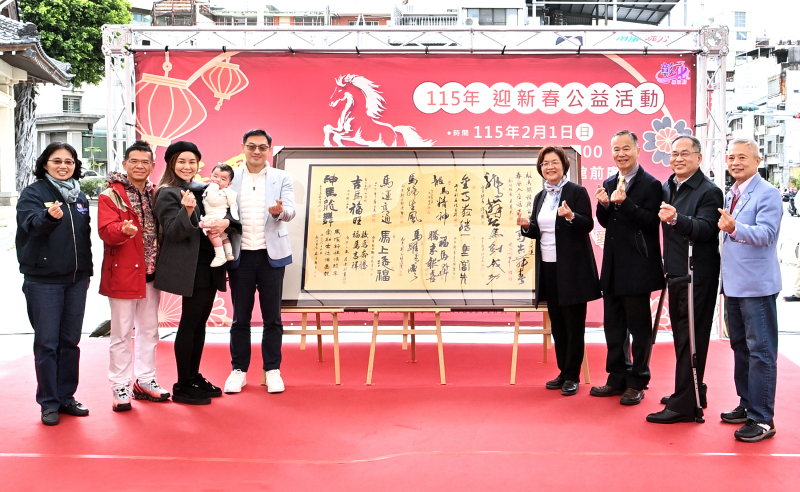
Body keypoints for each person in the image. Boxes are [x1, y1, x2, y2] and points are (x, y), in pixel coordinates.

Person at [154, 141, 241, 405]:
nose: (187, 166)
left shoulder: (204, 188)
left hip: (210, 262)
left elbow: (228, 215)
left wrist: (226, 222)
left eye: (192, 161)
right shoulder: (167, 193)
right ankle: (182, 384)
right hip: (190, 267)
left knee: (200, 322)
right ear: (171, 163)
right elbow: (173, 233)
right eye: (181, 161)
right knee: (190, 322)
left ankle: (194, 376)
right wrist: (188, 210)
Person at [646, 135, 723, 424]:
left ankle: (684, 405)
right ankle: (692, 391)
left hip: (697, 275)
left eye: (685, 153)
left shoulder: (709, 191)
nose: (678, 158)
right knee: (681, 337)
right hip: (675, 271)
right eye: (674, 153)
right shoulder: (668, 186)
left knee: (692, 339)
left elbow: (707, 229)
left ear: (699, 158)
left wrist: (678, 219)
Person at [16, 142, 93, 425]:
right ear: (45, 164)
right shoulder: (34, 193)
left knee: (70, 342)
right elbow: (31, 225)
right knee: (47, 344)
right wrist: (48, 217)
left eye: (69, 161)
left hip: (76, 280)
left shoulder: (79, 196)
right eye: (57, 161)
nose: (63, 166)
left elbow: (83, 238)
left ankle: (66, 397)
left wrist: (86, 271)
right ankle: (48, 402)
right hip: (43, 280)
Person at [517, 146, 601, 396]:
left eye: (554, 162)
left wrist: (571, 216)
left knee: (574, 323)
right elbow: (538, 230)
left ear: (564, 165)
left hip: (572, 269)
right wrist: (526, 226)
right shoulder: (540, 197)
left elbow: (587, 224)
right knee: (558, 324)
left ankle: (573, 375)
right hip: (548, 268)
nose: (549, 167)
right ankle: (563, 371)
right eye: (545, 163)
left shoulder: (576, 191)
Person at [591, 130, 665, 405]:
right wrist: (604, 204)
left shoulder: (651, 184)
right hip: (612, 265)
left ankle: (638, 380)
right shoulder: (610, 181)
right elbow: (606, 221)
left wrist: (626, 203)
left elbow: (650, 222)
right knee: (613, 326)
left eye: (626, 148)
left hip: (638, 266)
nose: (621, 154)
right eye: (616, 149)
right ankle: (616, 377)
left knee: (639, 328)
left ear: (637, 150)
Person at [98, 140, 170, 412]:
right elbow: (105, 231)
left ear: (152, 165)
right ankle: (120, 385)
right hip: (123, 273)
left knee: (150, 331)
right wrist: (122, 231)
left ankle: (145, 380)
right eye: (134, 161)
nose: (140, 166)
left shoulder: (157, 193)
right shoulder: (111, 194)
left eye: (145, 162)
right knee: (121, 333)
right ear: (125, 164)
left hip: (152, 274)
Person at [718, 138, 782, 442]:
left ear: (757, 161)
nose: (736, 162)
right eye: (732, 157)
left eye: (743, 157)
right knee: (741, 348)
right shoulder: (731, 193)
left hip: (757, 287)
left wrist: (735, 228)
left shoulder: (767, 193)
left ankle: (763, 418)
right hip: (734, 285)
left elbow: (767, 234)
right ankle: (747, 405)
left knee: (761, 352)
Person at [223, 129, 296, 394]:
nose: (256, 151)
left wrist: (280, 212)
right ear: (243, 147)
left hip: (271, 256)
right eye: (251, 146)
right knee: (240, 318)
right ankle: (238, 371)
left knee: (272, 318)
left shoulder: (281, 177)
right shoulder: (230, 177)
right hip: (240, 255)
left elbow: (291, 210)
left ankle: (272, 370)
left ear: (269, 150)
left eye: (262, 147)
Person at [200, 164, 238, 267]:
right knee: (223, 237)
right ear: (210, 176)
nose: (217, 180)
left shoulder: (223, 193)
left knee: (213, 234)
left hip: (215, 218)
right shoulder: (220, 191)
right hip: (217, 216)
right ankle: (229, 253)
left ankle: (220, 255)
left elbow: (213, 201)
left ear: (229, 184)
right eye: (215, 176)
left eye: (223, 179)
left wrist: (212, 187)